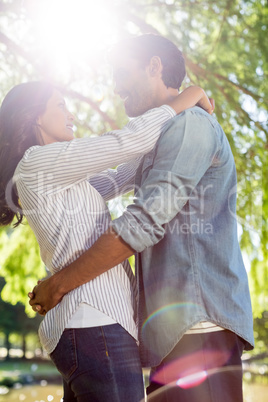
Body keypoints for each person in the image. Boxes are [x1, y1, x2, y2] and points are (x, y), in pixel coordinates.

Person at [29, 34, 254, 402]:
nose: (116, 88)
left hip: (199, 328)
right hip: (174, 336)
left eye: (122, 74)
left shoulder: (190, 127)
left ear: (154, 66)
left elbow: (141, 223)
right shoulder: (163, 137)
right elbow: (112, 175)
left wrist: (60, 284)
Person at [0, 79, 212, 402]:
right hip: (95, 325)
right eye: (60, 106)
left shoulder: (54, 175)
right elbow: (124, 141)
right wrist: (183, 100)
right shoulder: (37, 163)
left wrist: (165, 123)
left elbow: (119, 177)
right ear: (35, 117)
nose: (70, 115)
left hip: (87, 328)